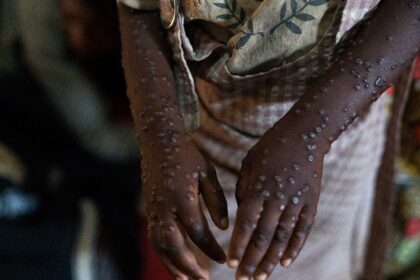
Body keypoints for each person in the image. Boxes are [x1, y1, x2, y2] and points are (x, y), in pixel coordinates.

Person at [117, 0, 419, 279]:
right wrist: (161, 138)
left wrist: (310, 135)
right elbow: (139, 7)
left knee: (320, 258)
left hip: (340, 121)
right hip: (208, 121)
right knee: (216, 257)